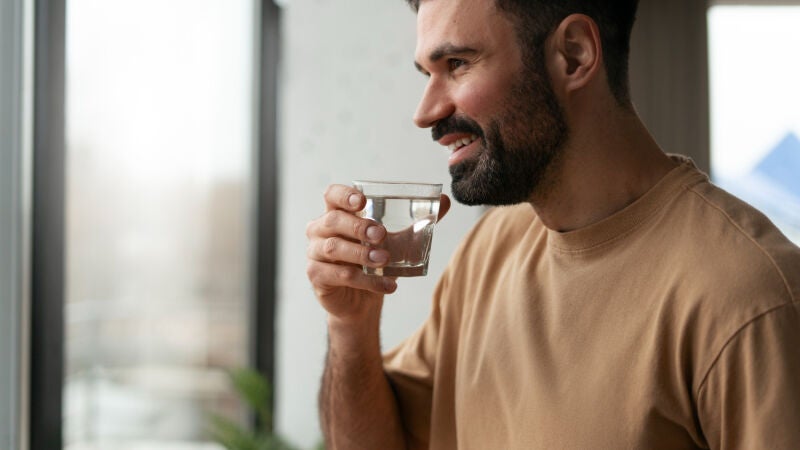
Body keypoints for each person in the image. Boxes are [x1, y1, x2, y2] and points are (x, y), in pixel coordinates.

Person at [305, 0, 800, 448]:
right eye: (427, 73)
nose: (426, 112)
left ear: (574, 55)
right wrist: (351, 325)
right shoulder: (489, 251)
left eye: (457, 64)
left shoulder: (749, 296)